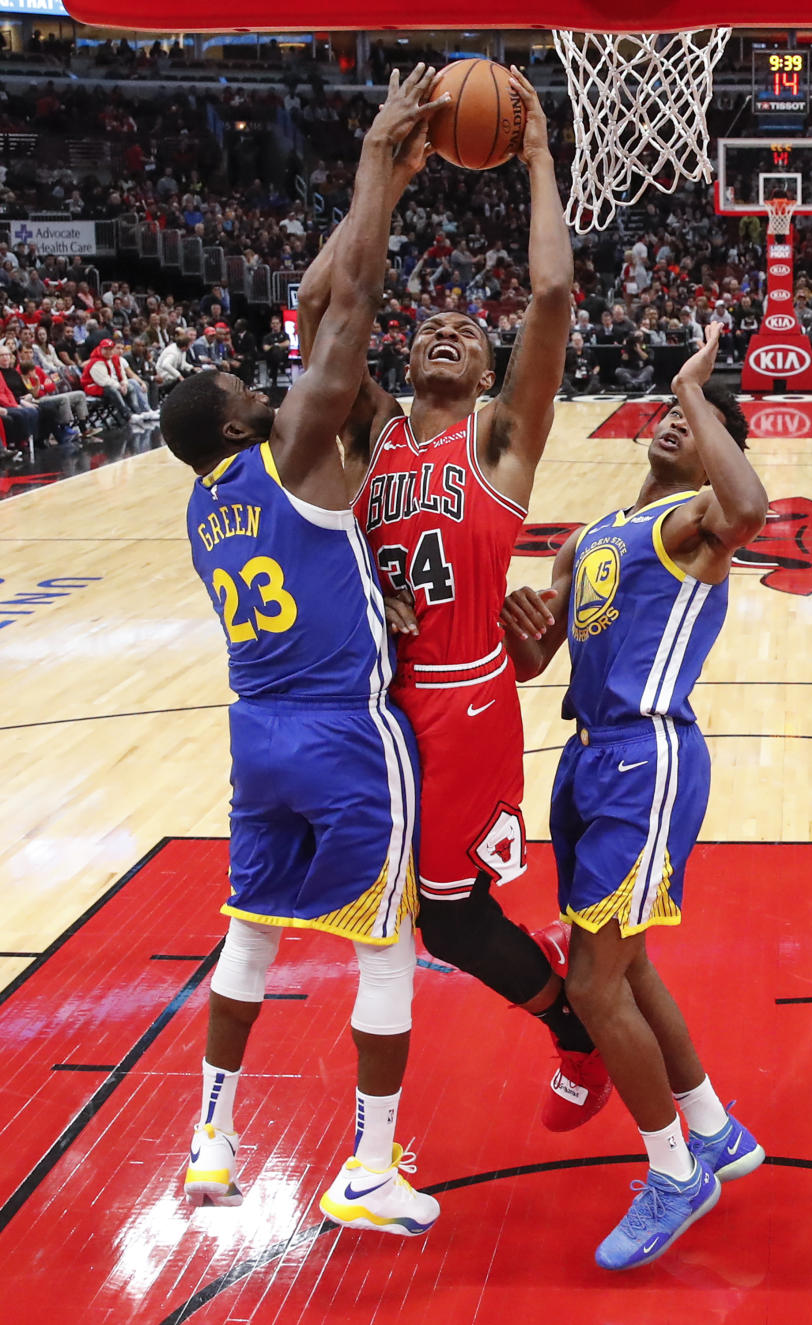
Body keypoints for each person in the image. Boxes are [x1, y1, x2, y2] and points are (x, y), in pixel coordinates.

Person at [160, 65, 449, 1234]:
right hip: (341, 730)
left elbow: (316, 295)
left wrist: (380, 179)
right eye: (248, 385)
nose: (266, 383)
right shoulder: (295, 451)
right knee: (386, 941)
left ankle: (211, 1139)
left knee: (249, 932)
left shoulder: (202, 498)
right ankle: (370, 1168)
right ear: (241, 420)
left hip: (255, 741)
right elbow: (352, 303)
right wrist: (378, 160)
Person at [295, 66, 612, 1132]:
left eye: (470, 333)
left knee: (447, 917)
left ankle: (576, 1027)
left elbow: (553, 298)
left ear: (488, 374)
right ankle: (554, 1006)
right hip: (373, 702)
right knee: (399, 911)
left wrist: (533, 156)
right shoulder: (368, 425)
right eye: (429, 322)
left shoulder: (499, 440)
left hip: (464, 696)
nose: (446, 329)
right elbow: (324, 305)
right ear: (404, 356)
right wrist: (378, 171)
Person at [499, 322, 767, 1270]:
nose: (670, 424)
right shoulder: (589, 537)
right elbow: (537, 660)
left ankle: (674, 1173)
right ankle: (713, 1128)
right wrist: (517, 623)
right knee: (630, 964)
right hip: (586, 757)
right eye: (666, 414)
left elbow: (749, 507)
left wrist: (698, 386)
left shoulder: (697, 524)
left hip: (647, 759)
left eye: (689, 423)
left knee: (592, 982)